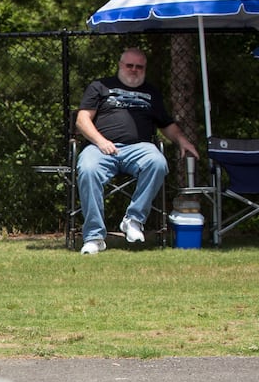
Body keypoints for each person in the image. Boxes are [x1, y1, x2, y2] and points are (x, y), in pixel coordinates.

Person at [73, 49, 199, 254]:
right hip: (100, 147)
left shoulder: (151, 93)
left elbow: (166, 124)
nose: (133, 70)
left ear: (144, 69)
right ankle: (94, 236)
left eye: (139, 67)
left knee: (158, 162)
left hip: (140, 148)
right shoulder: (100, 86)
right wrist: (101, 141)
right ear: (120, 65)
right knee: (87, 168)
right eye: (129, 65)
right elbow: (82, 119)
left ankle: (133, 220)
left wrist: (183, 142)